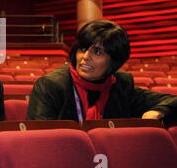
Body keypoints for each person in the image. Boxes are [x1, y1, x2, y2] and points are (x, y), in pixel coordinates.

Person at [28, 19, 177, 121]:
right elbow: (40, 139)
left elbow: (172, 100)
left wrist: (158, 111)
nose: (85, 57)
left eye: (97, 52)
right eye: (83, 49)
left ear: (115, 60)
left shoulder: (121, 85)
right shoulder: (51, 86)